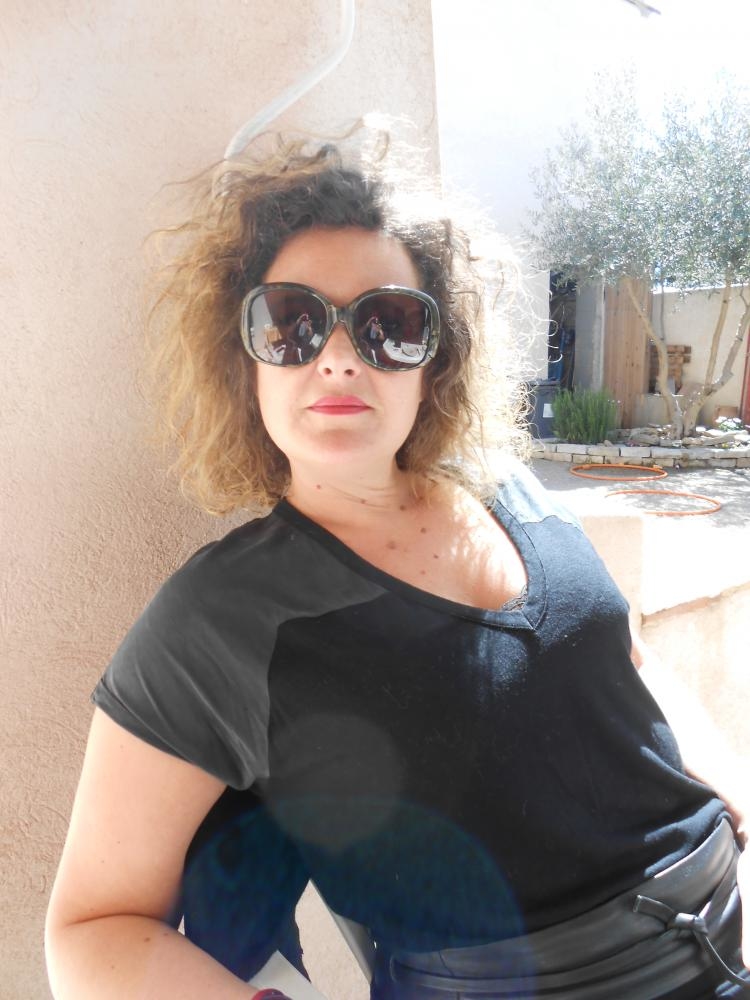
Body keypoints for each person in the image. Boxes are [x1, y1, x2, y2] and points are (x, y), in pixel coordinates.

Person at [45, 135, 748, 999]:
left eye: (389, 325)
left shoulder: (511, 490)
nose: (339, 356)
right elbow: (91, 930)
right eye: (292, 322)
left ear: (434, 360)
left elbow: (626, 659)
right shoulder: (220, 618)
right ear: (245, 361)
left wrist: (737, 799)